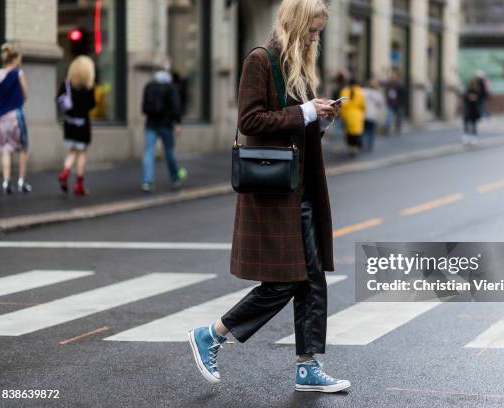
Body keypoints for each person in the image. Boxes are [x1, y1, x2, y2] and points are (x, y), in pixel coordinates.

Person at [187, 0, 351, 393]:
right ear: (295, 25)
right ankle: (212, 333)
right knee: (283, 281)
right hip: (274, 190)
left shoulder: (299, 68)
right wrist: (307, 113)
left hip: (302, 188)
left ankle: (308, 366)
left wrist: (320, 119)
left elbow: (295, 126)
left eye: (319, 32)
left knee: (311, 280)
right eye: (311, 30)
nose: (315, 38)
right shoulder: (260, 60)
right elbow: (249, 120)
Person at [140, 59, 186, 192]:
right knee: (169, 152)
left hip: (151, 124)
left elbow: (143, 108)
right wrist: (177, 122)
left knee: (148, 152)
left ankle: (147, 181)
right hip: (166, 124)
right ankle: (175, 177)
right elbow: (176, 106)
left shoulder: (149, 86)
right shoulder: (171, 87)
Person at [56, 56, 96, 196]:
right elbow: (92, 105)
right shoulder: (88, 87)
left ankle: (65, 172)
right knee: (81, 153)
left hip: (69, 123)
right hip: (82, 124)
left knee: (72, 151)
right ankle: (79, 185)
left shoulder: (66, 84)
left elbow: (58, 100)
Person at [0, 43, 31, 195]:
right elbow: (25, 94)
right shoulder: (19, 73)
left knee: (6, 149)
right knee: (23, 147)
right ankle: (21, 181)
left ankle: (6, 181)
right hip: (17, 115)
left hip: (2, 117)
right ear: (15, 58)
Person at [339, 78, 365, 156]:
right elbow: (363, 104)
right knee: (356, 133)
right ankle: (355, 147)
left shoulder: (344, 91)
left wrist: (342, 115)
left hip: (347, 115)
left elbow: (342, 105)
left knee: (348, 132)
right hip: (357, 115)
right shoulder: (360, 91)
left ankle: (350, 147)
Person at [361, 78, 385, 152]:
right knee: (371, 130)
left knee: (364, 130)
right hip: (372, 115)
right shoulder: (377, 94)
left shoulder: (362, 92)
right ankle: (369, 145)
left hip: (363, 114)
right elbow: (380, 104)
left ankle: (363, 144)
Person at [383, 71, 406, 137]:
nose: (392, 78)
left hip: (398, 104)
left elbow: (403, 95)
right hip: (390, 104)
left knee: (398, 117)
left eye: (393, 77)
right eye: (391, 77)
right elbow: (387, 94)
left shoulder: (399, 85)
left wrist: (401, 103)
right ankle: (387, 129)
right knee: (389, 117)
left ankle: (397, 128)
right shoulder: (388, 85)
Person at [462, 78, 482, 145]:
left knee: (473, 125)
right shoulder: (468, 91)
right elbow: (465, 99)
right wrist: (470, 98)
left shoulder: (476, 91)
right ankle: (466, 138)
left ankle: (473, 138)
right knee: (466, 124)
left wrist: (473, 98)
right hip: (468, 110)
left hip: (474, 110)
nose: (472, 85)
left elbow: (478, 99)